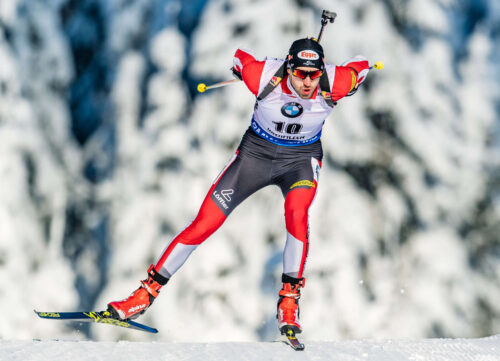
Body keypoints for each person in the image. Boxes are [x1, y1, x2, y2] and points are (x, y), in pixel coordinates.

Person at [107, 37, 370, 336]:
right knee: (206, 222)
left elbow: (361, 65)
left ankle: (289, 301)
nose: (308, 82)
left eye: (314, 74)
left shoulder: (335, 81)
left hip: (300, 161)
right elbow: (239, 57)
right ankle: (144, 295)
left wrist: (360, 74)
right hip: (254, 157)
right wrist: (242, 68)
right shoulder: (263, 76)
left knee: (296, 214)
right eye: (300, 74)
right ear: (288, 67)